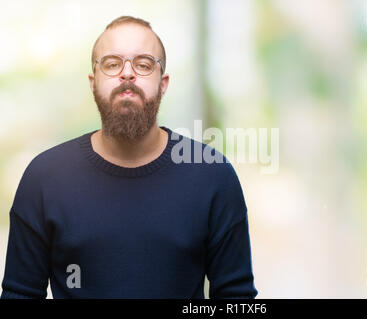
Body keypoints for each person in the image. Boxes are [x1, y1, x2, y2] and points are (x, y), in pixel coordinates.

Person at [1, 16, 257, 299]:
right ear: (93, 82)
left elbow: (237, 299)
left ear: (163, 83)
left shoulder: (213, 175)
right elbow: (19, 295)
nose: (127, 74)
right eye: (112, 64)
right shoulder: (44, 178)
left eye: (144, 64)